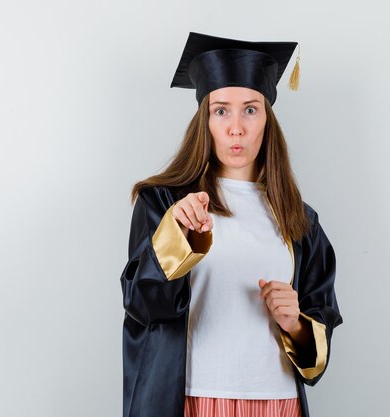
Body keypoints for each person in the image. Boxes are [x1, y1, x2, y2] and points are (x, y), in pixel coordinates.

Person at [120, 32, 342, 417]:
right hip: (189, 400)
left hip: (277, 403)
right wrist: (178, 238)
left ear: (268, 120)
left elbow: (315, 360)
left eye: (250, 110)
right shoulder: (166, 202)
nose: (236, 127)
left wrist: (295, 323)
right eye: (221, 110)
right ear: (204, 120)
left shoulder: (299, 220)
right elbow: (142, 306)